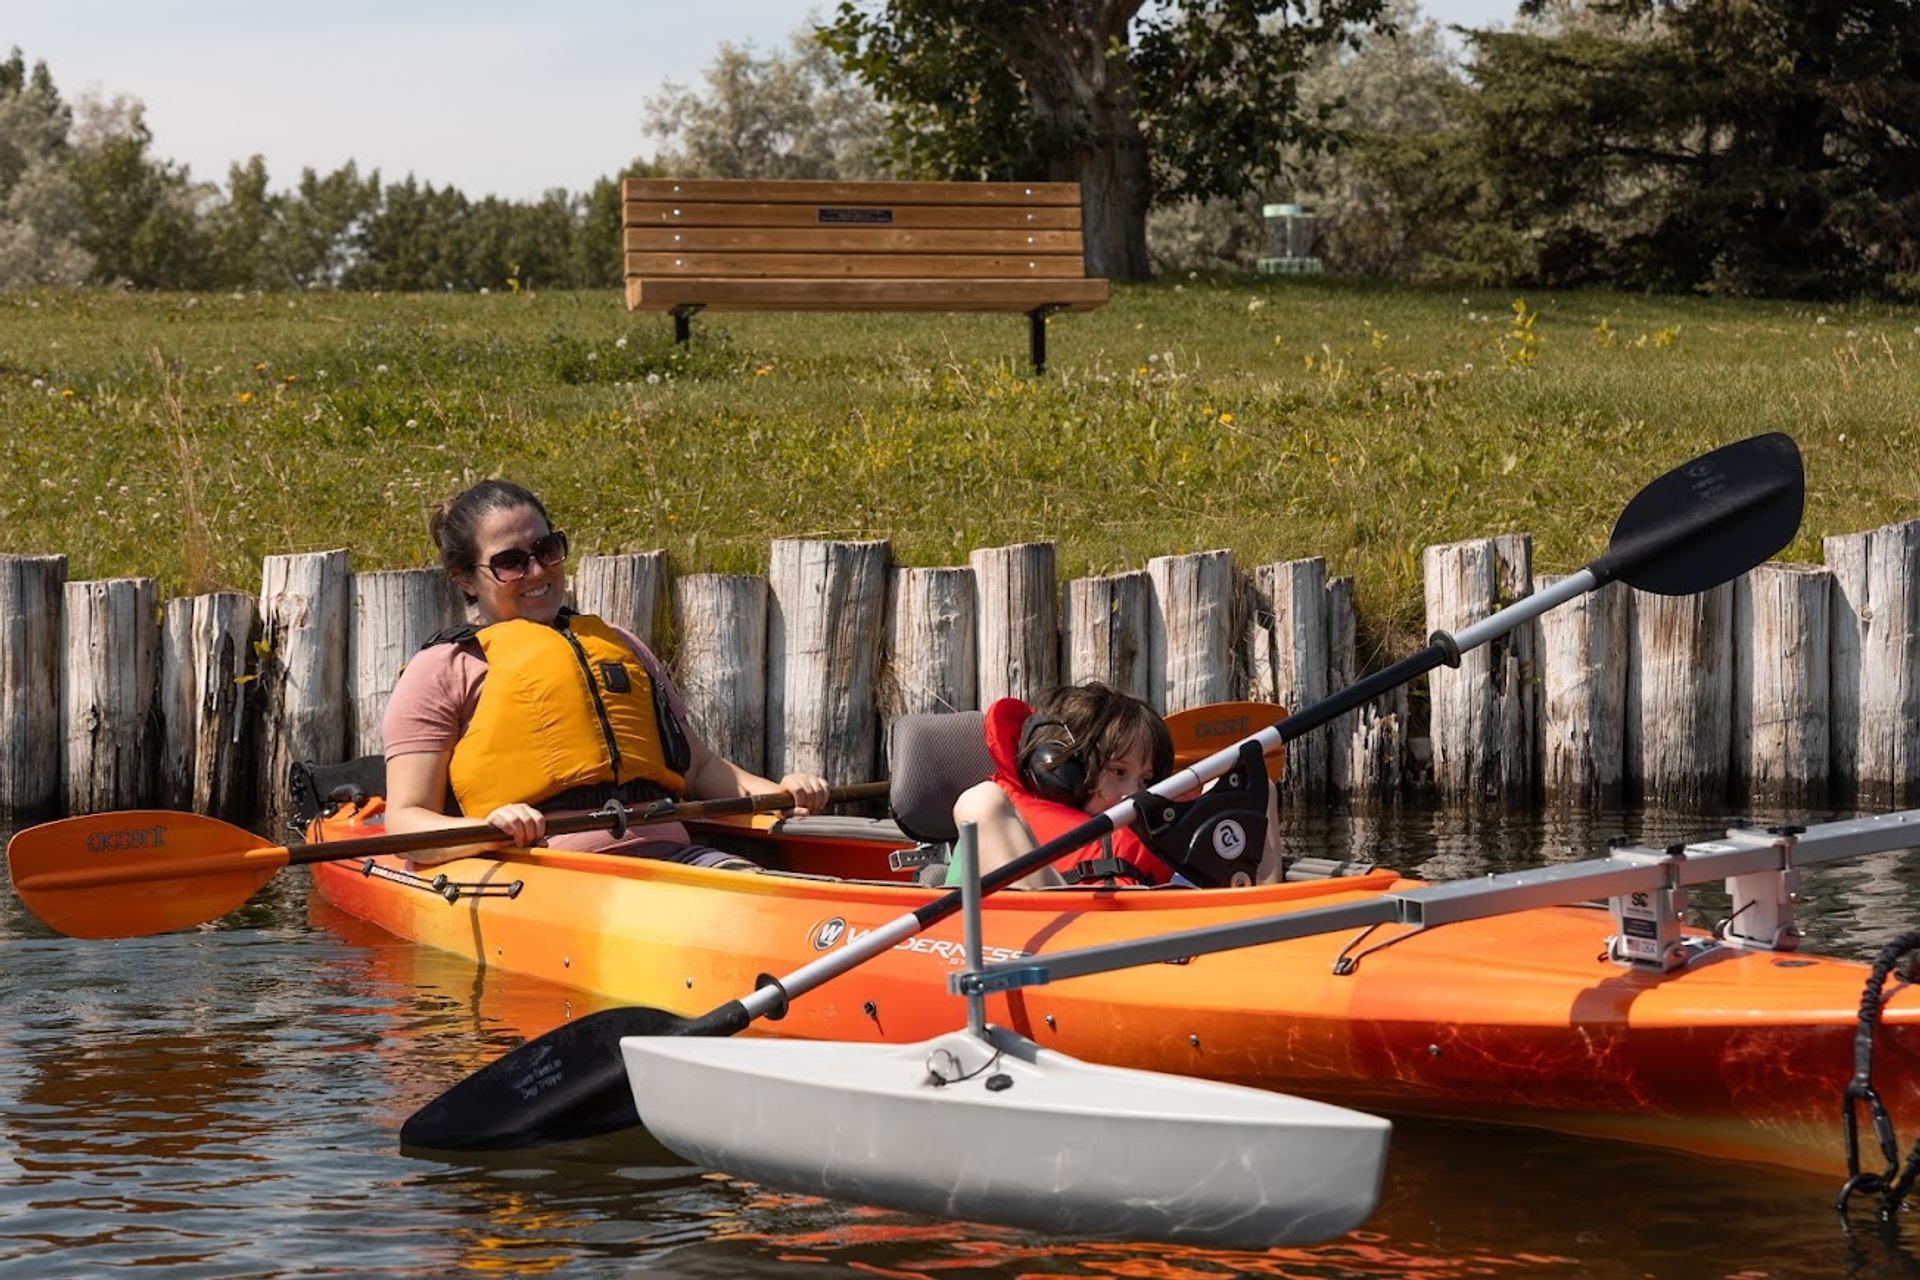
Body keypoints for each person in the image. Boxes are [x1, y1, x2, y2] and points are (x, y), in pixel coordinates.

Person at [381, 478, 829, 867]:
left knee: (749, 883)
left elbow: (699, 769)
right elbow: (406, 823)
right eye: (511, 561)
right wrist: (489, 825)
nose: (537, 570)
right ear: (464, 578)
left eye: (547, 549)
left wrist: (781, 794)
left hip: (676, 858)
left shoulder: (618, 643)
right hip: (546, 872)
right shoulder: (443, 669)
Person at [951, 682, 1284, 889]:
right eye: (1118, 772)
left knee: (1256, 787)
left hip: (1160, 933)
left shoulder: (1150, 838)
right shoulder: (997, 821)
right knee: (980, 802)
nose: (1133, 793)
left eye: (1146, 780)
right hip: (1059, 943)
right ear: (1061, 771)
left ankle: (1272, 925)